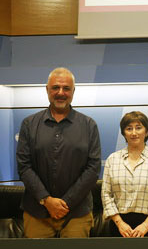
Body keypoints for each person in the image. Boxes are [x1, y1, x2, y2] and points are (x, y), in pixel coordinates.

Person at [16, 67, 101, 238]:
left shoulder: (88, 125)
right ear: (47, 90)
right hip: (37, 213)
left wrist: (65, 203)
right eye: (55, 87)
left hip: (77, 213)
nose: (60, 93)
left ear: (73, 91)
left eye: (66, 88)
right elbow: (24, 167)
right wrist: (47, 200)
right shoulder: (29, 124)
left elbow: (93, 168)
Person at [102, 111, 148, 237]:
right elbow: (106, 194)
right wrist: (120, 223)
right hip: (120, 227)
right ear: (123, 133)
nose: (134, 133)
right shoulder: (113, 159)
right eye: (129, 128)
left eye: (138, 128)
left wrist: (146, 225)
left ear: (147, 132)